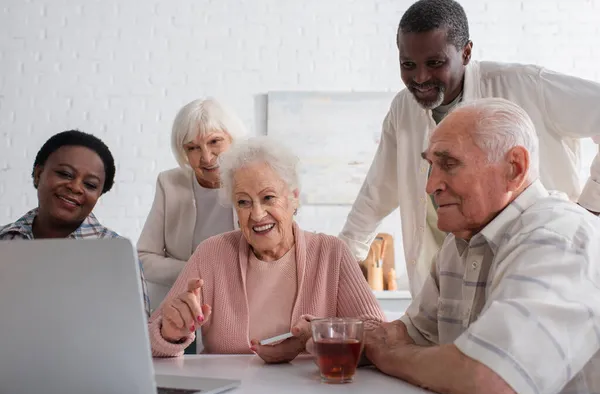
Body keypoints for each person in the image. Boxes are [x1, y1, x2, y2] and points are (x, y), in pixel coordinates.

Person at [339, 0, 600, 296]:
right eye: (408, 65)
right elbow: (376, 194)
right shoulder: (403, 109)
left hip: (536, 273)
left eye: (434, 63)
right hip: (447, 283)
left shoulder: (526, 86)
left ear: (465, 53)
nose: (420, 78)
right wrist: (337, 264)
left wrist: (590, 209)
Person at [364, 98, 600, 394]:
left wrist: (389, 357)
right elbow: (414, 335)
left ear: (514, 168)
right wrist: (333, 337)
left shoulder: (559, 237)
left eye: (449, 164)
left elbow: (494, 379)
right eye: (431, 165)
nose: (430, 185)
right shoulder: (459, 243)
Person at [148, 137, 385, 362]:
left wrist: (315, 336)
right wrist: (169, 333)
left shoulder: (331, 253)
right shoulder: (211, 254)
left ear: (293, 198)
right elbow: (148, 339)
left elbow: (379, 335)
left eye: (268, 198)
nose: (257, 214)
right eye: (243, 202)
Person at [0, 130, 150, 316]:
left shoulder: (117, 255)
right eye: (65, 174)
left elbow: (136, 337)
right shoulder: (4, 239)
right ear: (38, 174)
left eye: (90, 185)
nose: (75, 187)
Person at [137, 98, 247, 311]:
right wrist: (199, 271)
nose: (206, 157)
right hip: (179, 306)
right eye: (193, 148)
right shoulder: (169, 183)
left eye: (215, 142)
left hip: (238, 304)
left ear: (233, 140)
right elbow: (143, 258)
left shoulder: (252, 182)